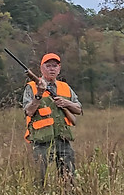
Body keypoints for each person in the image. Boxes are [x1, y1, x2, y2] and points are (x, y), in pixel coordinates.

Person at [22, 52, 82, 187]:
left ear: (59, 69)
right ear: (41, 68)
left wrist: (66, 103)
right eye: (48, 66)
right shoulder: (32, 87)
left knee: (69, 178)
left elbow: (78, 109)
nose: (52, 69)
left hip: (63, 139)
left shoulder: (65, 87)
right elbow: (28, 112)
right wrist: (39, 94)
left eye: (55, 66)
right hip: (41, 140)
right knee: (40, 178)